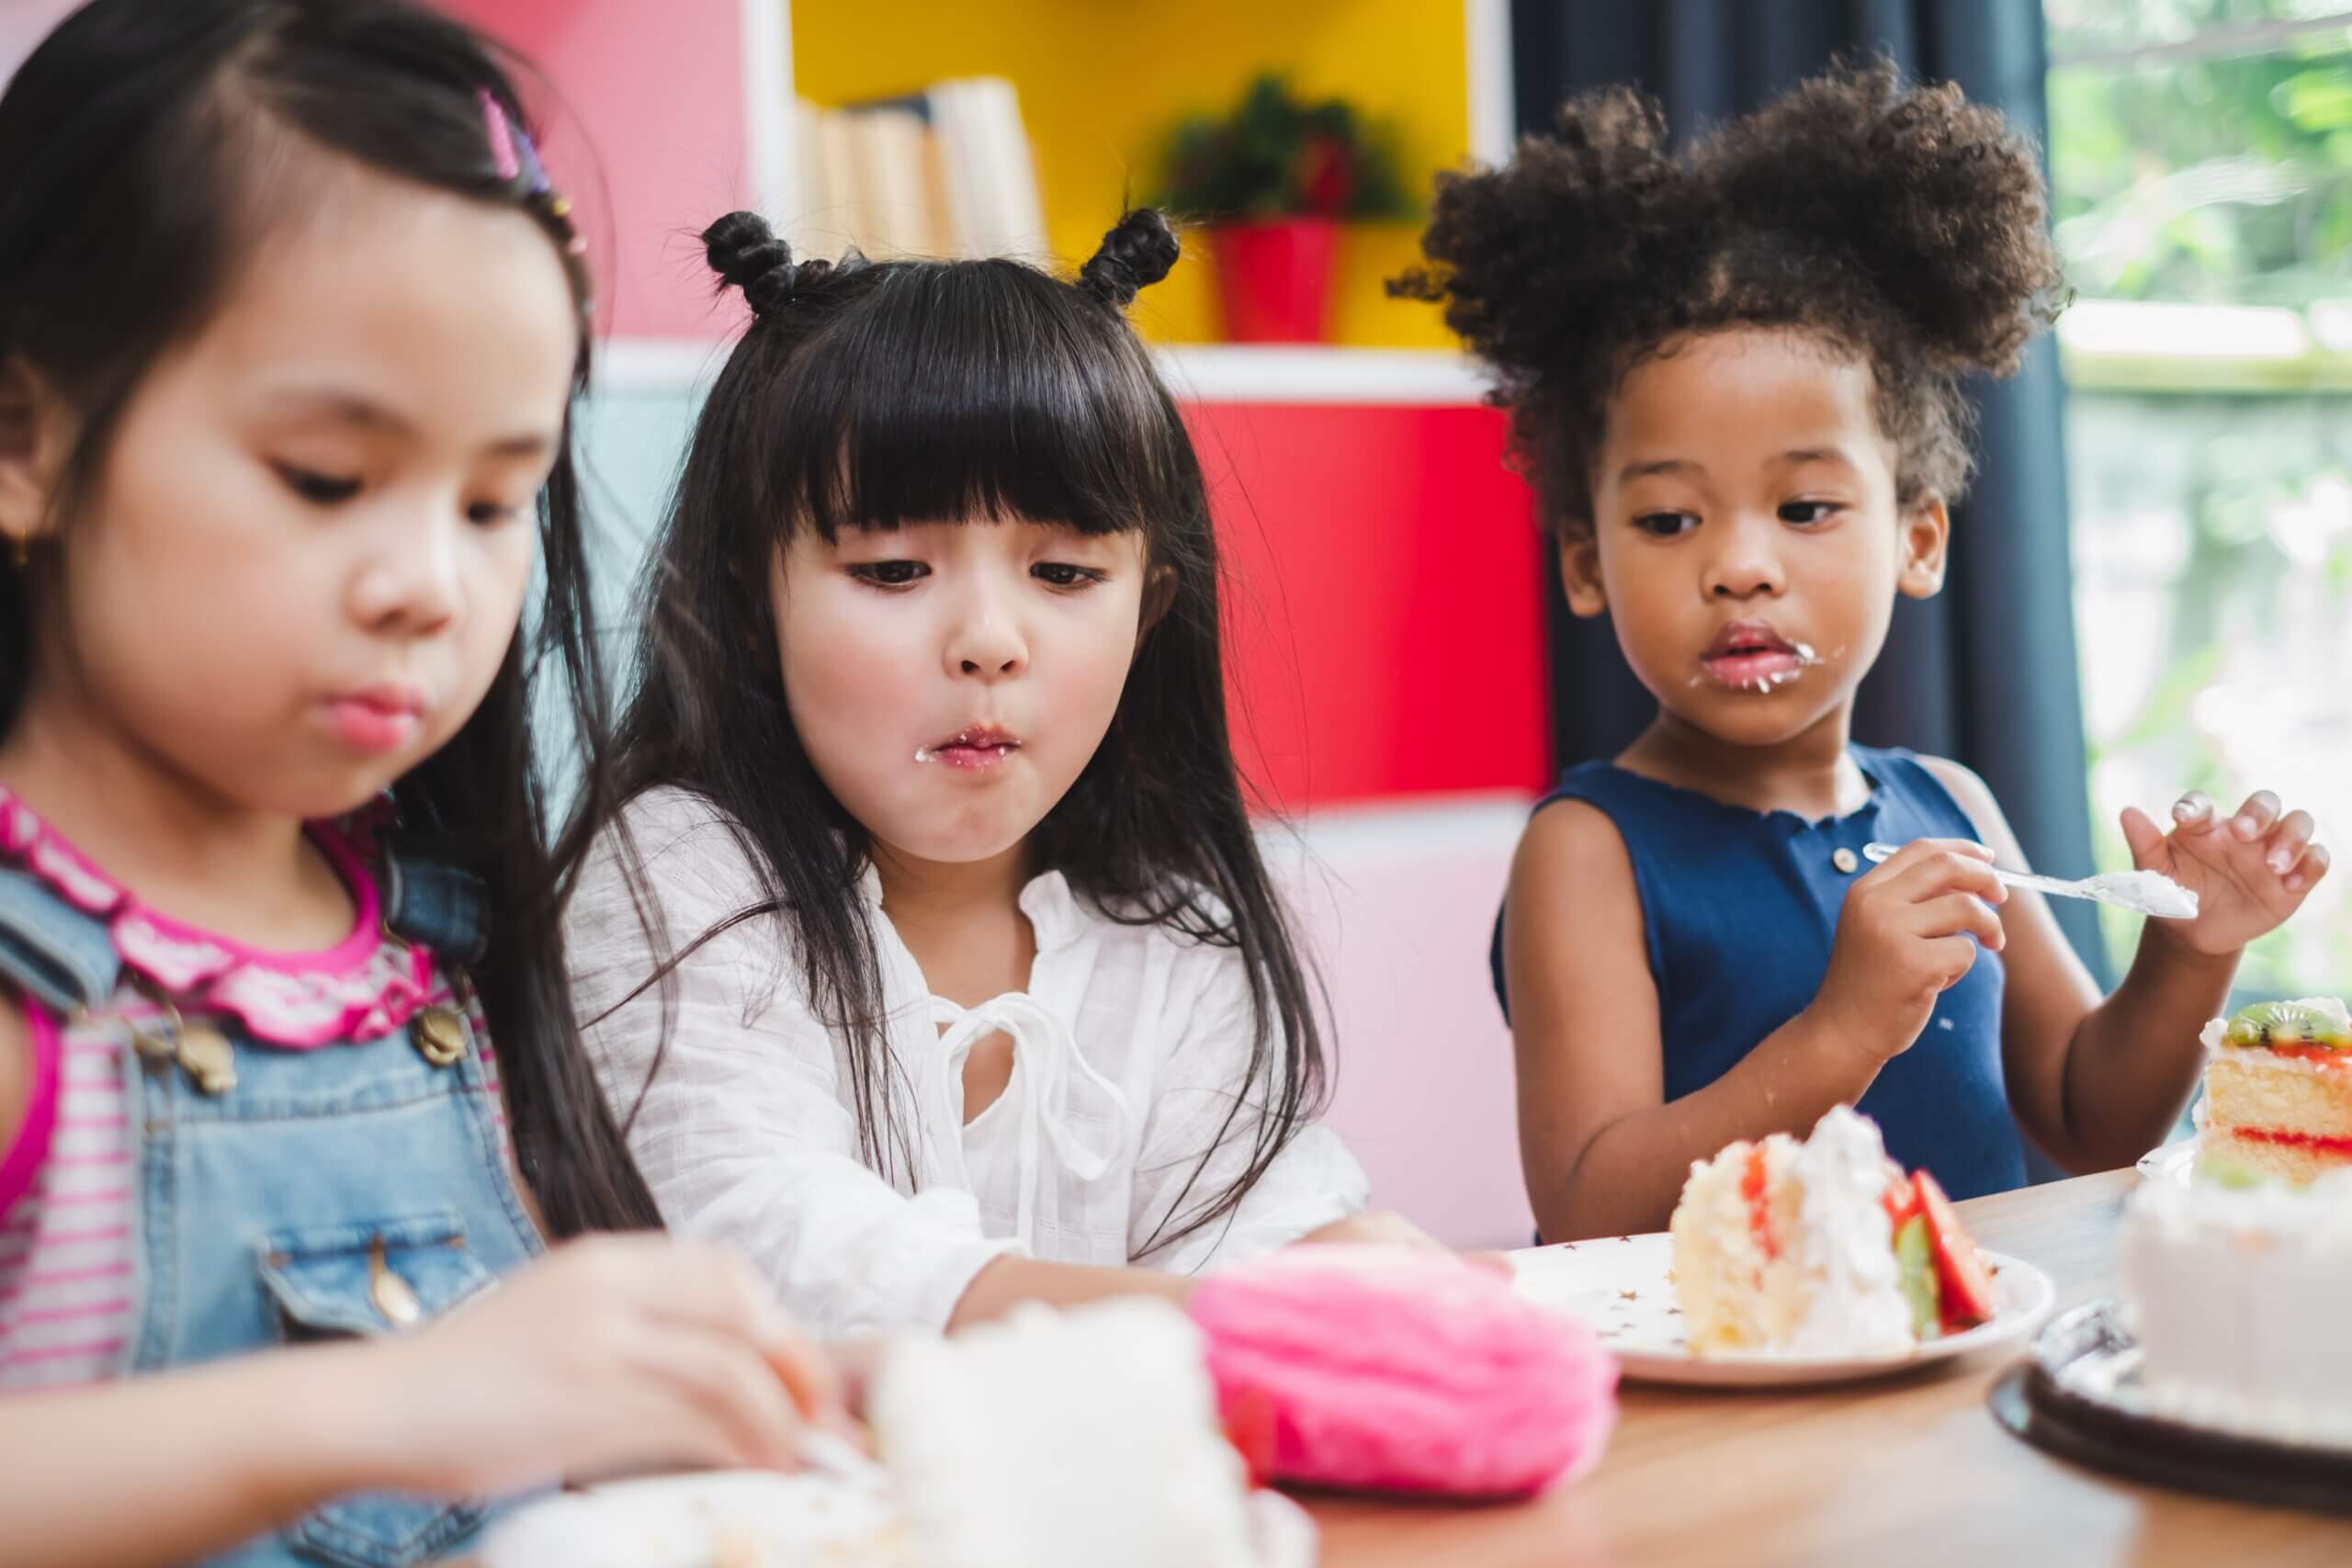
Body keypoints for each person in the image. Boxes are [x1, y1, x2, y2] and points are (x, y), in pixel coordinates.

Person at [0, 6, 838, 1564]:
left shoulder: (429, 953)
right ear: (26, 435)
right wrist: (388, 1406)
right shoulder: (33, 984)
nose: (430, 586)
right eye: (328, 477)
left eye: (491, 498)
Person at [1393, 61, 2331, 1238]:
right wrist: (1840, 1033)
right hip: (1736, 1411)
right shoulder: (1587, 855)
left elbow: (2092, 1119)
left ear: (1918, 538)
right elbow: (1588, 1212)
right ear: (1586, 561)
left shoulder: (1951, 804)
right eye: (1669, 519)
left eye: (1804, 509)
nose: (1740, 566)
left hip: (1964, 1388)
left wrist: (2191, 952)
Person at [568, 208, 1441, 1340]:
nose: (989, 639)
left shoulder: (1169, 927)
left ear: (1148, 612)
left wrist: (1335, 1269)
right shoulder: (670, 883)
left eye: (1066, 572)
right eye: (890, 568)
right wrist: (1244, 1320)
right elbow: (766, 1245)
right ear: (749, 599)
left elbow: (1257, 1232)